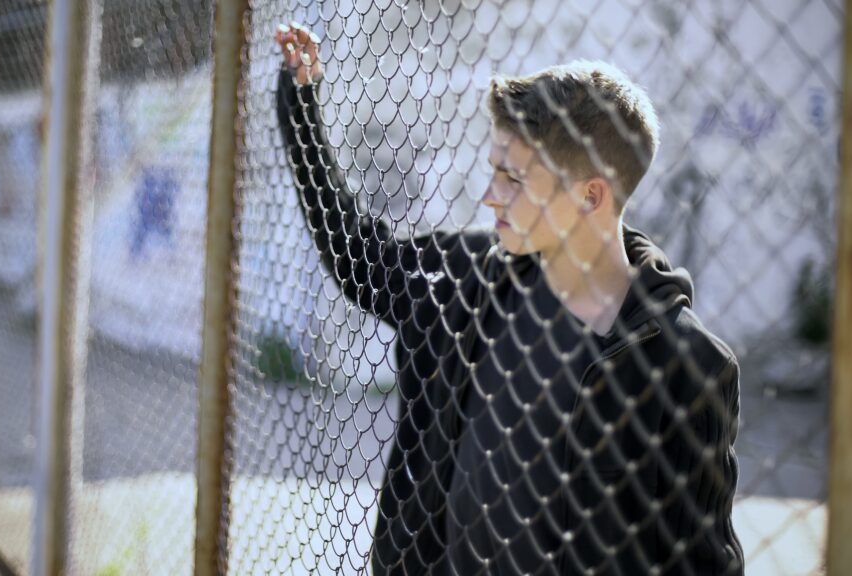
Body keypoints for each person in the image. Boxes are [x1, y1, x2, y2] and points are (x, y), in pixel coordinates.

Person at [274, 22, 743, 576]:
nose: (489, 195)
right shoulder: (464, 283)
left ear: (591, 195)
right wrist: (299, 105)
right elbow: (358, 256)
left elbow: (704, 560)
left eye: (512, 179)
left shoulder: (692, 365)